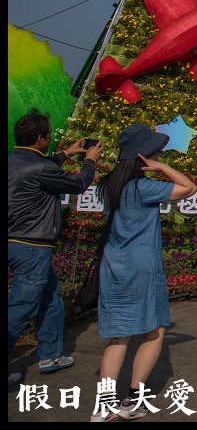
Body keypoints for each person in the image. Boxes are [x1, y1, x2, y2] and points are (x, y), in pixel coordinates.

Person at [91, 122, 197, 421]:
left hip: (113, 266)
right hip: (143, 266)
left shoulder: (109, 185)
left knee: (118, 337)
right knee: (154, 330)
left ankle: (105, 406)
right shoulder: (144, 187)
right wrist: (161, 166)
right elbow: (189, 188)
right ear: (142, 156)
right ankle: (133, 399)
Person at [8, 111, 102, 387]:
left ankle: (50, 354)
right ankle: (49, 353)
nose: (50, 136)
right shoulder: (42, 169)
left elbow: (40, 169)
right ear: (40, 139)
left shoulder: (16, 162)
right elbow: (79, 184)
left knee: (50, 295)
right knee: (21, 307)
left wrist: (65, 154)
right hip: (33, 246)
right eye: (48, 133)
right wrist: (89, 161)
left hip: (18, 242)